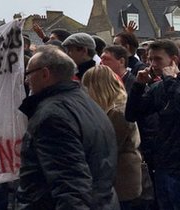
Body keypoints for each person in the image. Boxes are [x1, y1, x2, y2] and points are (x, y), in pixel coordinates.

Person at [17, 45, 119, 209]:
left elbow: (70, 185)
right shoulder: (89, 105)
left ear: (45, 74)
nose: (26, 80)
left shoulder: (52, 117)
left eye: (28, 74)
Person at [125, 39, 180, 210]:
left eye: (158, 59)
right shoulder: (160, 87)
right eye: (150, 59)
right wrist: (138, 86)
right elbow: (132, 114)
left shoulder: (169, 85)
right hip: (164, 163)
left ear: (174, 60)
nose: (152, 64)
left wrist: (170, 80)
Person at [82, 65, 142, 210]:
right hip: (123, 176)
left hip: (122, 180)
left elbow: (109, 147)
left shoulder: (117, 113)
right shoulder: (117, 108)